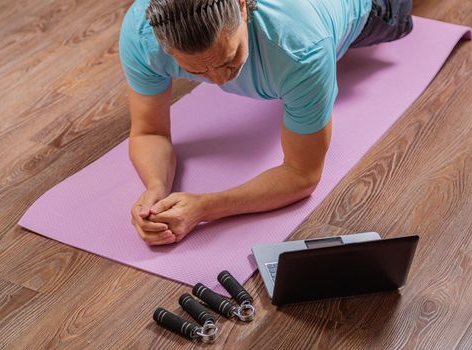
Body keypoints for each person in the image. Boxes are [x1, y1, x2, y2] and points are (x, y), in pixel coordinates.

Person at [119, 0, 413, 245]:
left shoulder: (301, 48)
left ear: (244, 7)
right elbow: (149, 132)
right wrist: (156, 188)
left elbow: (302, 174)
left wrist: (205, 206)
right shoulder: (142, 35)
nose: (220, 79)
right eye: (197, 70)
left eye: (228, 59)